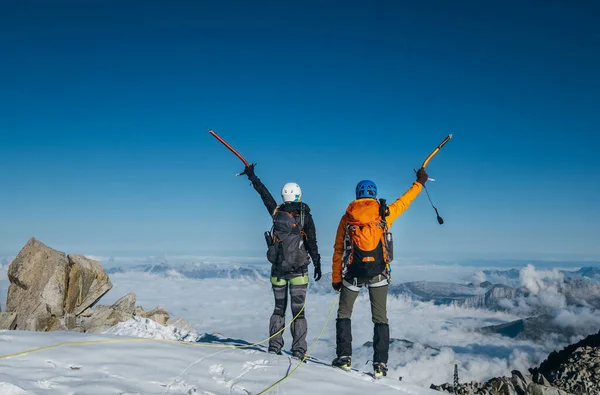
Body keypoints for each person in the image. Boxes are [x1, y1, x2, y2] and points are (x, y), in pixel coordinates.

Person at [331, 168, 429, 378]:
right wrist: (420, 182)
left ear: (358, 195)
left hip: (353, 273)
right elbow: (405, 200)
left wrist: (337, 279)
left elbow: (338, 249)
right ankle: (380, 365)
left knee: (344, 313)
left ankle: (344, 358)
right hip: (379, 273)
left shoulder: (347, 217)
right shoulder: (384, 212)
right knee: (380, 318)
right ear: (373, 194)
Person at [241, 163, 322, 360]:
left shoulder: (277, 213)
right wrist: (318, 263)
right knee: (298, 313)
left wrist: (252, 176)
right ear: (299, 195)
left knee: (278, 309)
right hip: (299, 271)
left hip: (277, 270)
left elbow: (264, 195)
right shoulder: (305, 216)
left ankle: (274, 347)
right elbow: (312, 242)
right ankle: (298, 350)